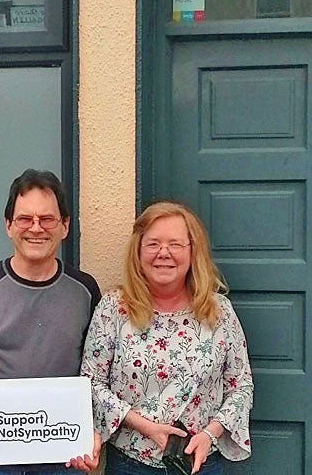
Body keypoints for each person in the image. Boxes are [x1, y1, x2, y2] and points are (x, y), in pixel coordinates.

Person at [0, 169, 103, 474]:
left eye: (47, 219)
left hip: (64, 458)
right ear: (9, 225)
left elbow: (100, 372)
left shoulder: (86, 290)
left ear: (65, 226)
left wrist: (93, 431)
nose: (36, 228)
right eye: (25, 219)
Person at [80, 201, 253, 475]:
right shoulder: (114, 309)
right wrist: (146, 426)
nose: (164, 253)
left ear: (192, 252)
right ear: (138, 251)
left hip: (201, 464)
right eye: (153, 244)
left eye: (175, 244)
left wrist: (209, 434)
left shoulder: (218, 311)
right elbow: (91, 383)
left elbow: (241, 386)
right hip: (132, 463)